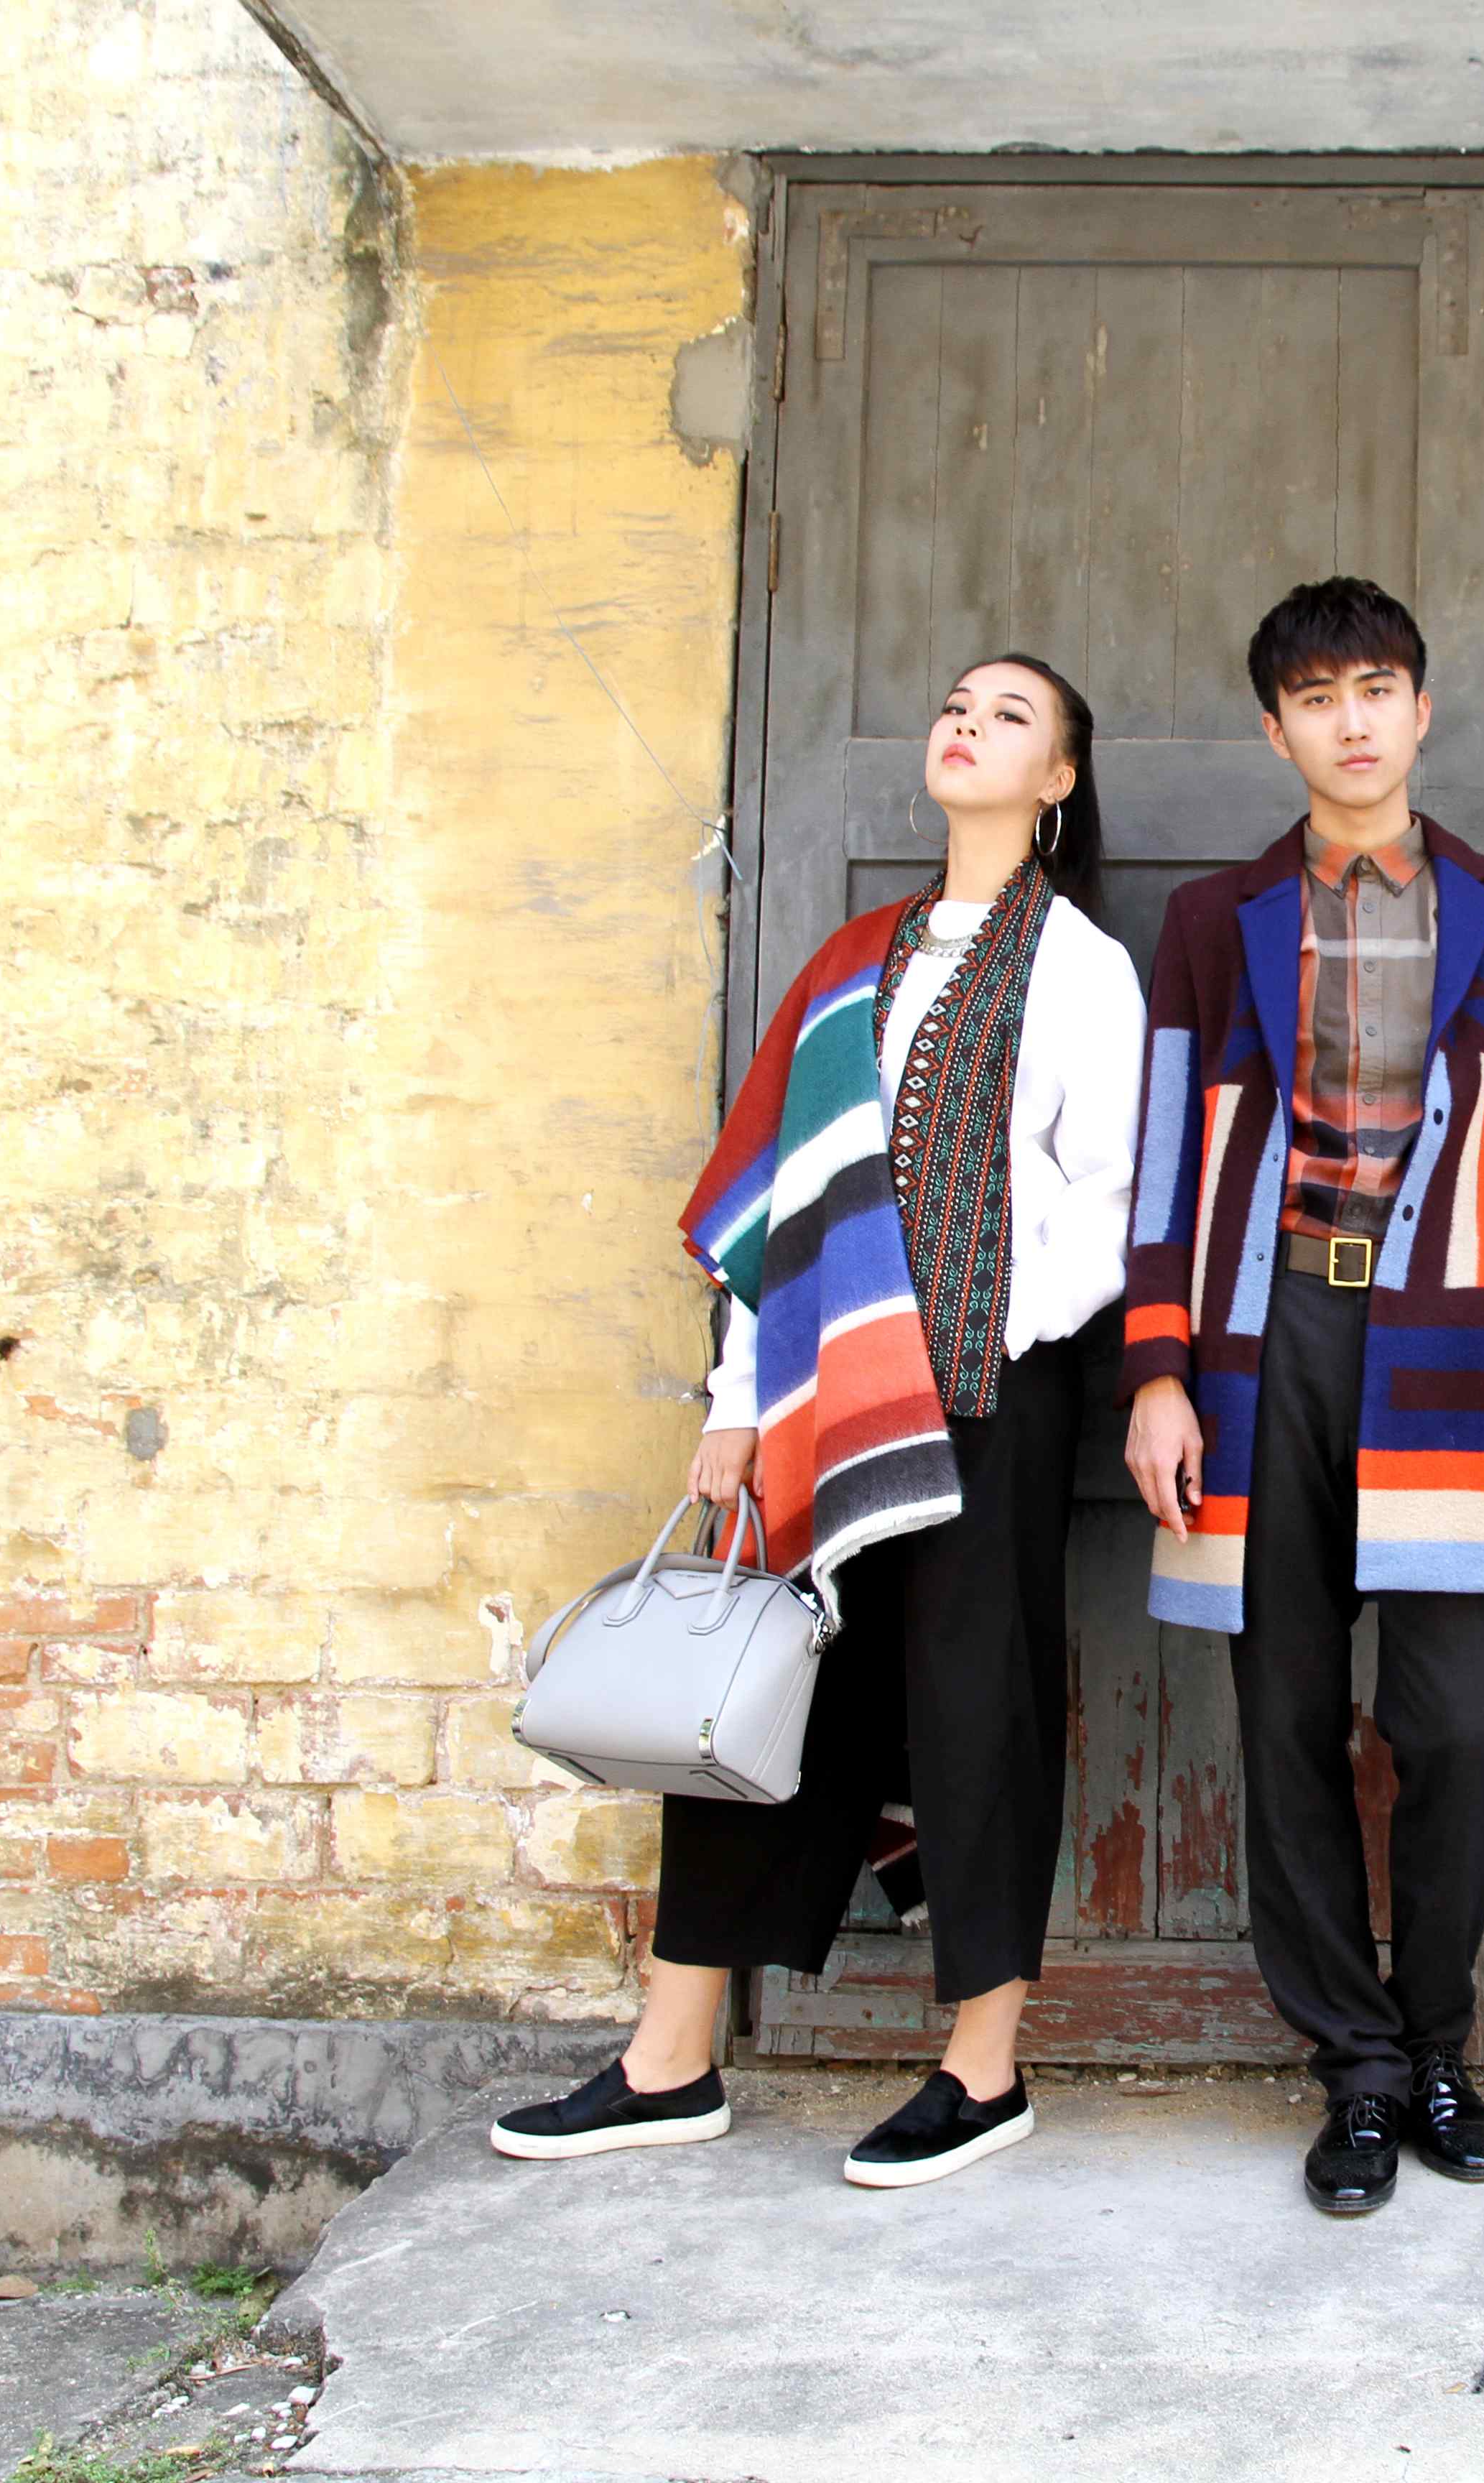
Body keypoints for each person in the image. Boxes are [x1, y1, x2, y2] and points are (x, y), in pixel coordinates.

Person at [491, 655, 1146, 2191]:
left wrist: (973, 1333)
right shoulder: (854, 962)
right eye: (958, 705)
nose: (967, 725)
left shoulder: (1081, 969)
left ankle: (983, 2072)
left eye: (1008, 717)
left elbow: (1105, 1202)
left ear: (1058, 781)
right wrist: (739, 1400)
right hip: (815, 1398)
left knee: (977, 1707)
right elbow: (788, 1207)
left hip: (986, 1394)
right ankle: (670, 2060)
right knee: (764, 1690)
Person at [1118, 576, 1484, 2216]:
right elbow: (1161, 1155)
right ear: (1276, 730)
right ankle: (1352, 2070)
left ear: (1422, 710)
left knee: (1458, 1728)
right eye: (1316, 698)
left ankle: (1434, 2048)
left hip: (1452, 1345)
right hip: (1260, 1339)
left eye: (1376, 690)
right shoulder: (1214, 921)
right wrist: (1156, 1368)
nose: (1351, 722)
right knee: (1284, 1719)